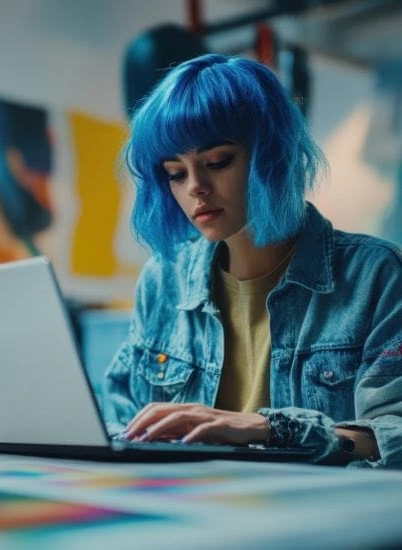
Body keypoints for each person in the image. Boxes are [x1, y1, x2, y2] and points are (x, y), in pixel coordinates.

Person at [102, 53, 402, 468]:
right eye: (175, 172)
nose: (196, 188)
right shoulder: (162, 281)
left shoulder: (375, 275)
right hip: (190, 507)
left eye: (217, 162)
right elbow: (119, 419)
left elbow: (396, 434)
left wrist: (274, 430)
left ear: (271, 155)